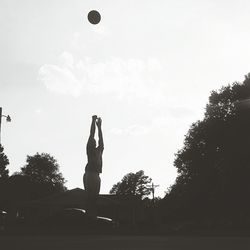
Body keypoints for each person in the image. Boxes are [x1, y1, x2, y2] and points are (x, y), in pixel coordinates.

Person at [83, 115, 104, 217]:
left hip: (96, 175)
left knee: (95, 197)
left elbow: (101, 139)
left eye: (94, 141)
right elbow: (92, 134)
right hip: (89, 174)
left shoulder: (99, 150)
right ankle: (88, 215)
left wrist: (100, 127)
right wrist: (93, 121)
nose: (93, 141)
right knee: (89, 197)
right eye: (92, 141)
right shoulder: (89, 150)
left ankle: (93, 216)